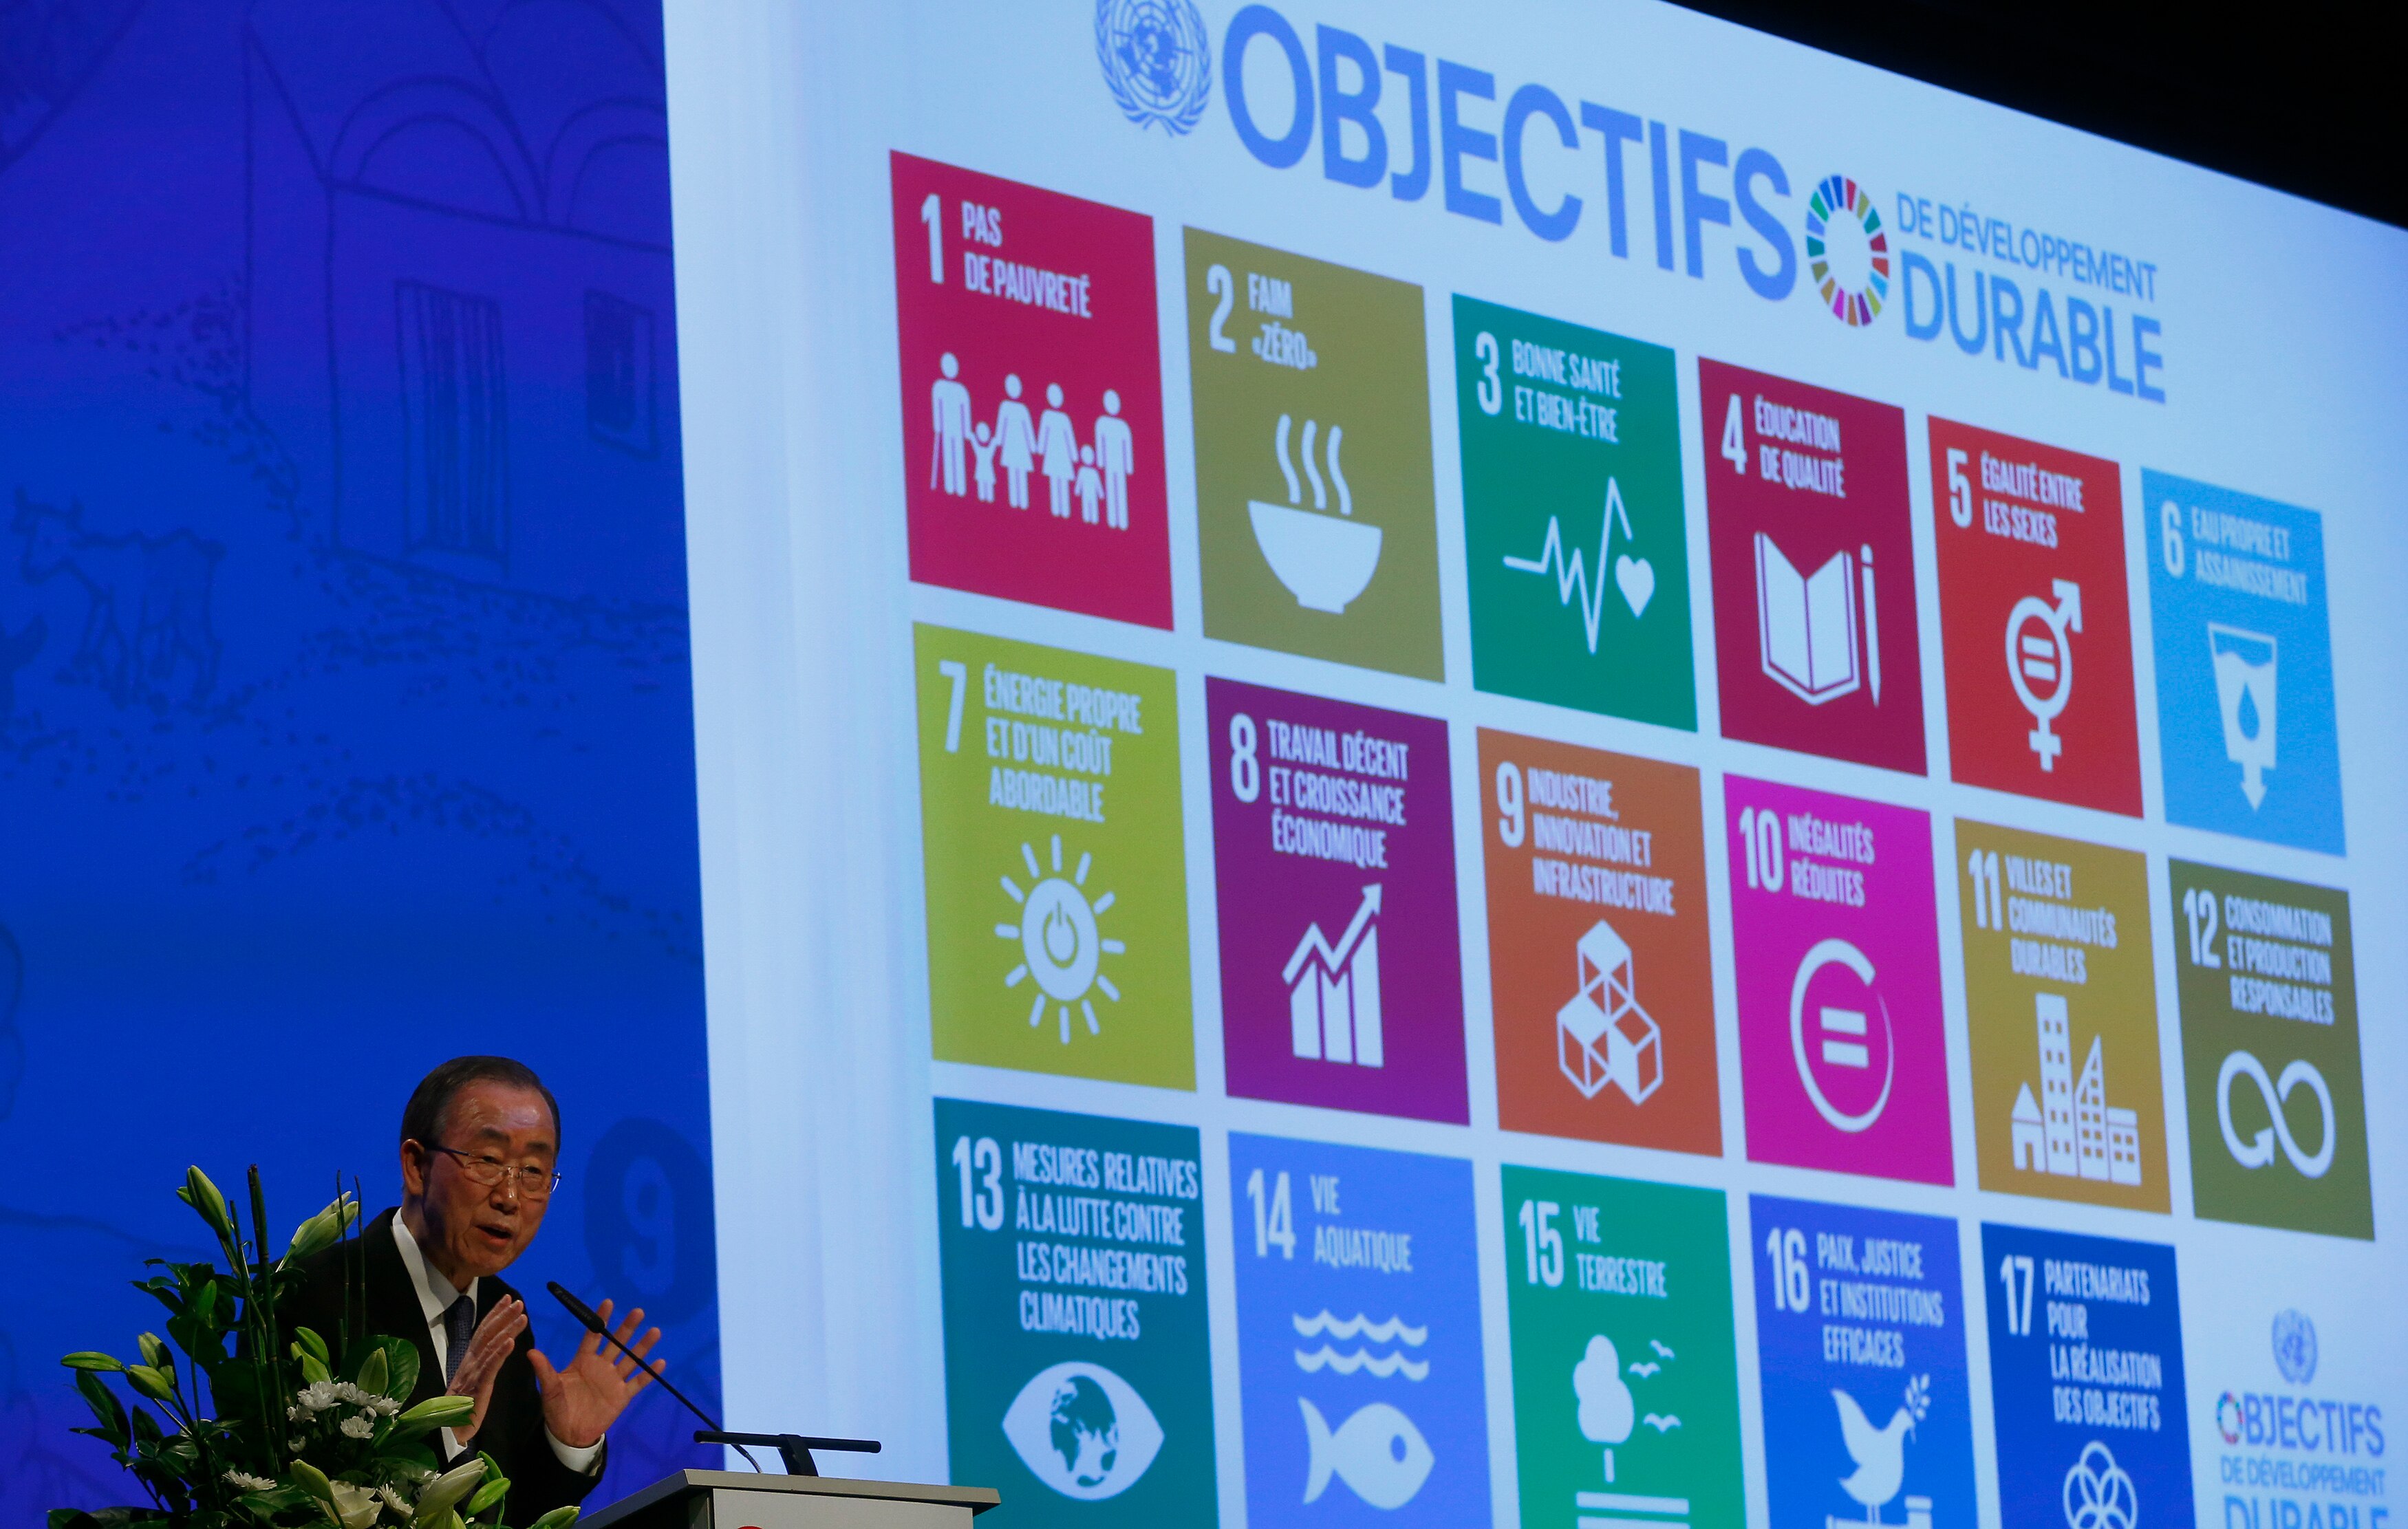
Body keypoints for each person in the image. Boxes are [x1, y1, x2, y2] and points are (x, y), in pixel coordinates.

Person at [279, 1057, 659, 1521]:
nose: (510, 1195)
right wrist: (444, 1435)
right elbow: (286, 1492)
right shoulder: (313, 1294)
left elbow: (512, 1514)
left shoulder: (505, 1317)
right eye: (489, 1160)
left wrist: (569, 1442)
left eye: (534, 1170)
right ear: (416, 1165)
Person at [929, 354, 972, 495]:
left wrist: (966, 431)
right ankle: (950, 486)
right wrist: (937, 427)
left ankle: (960, 487)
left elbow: (965, 412)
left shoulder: (962, 390)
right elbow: (937, 408)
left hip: (958, 429)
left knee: (959, 455)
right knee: (948, 454)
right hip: (946, 428)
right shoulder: (939, 387)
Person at [1093, 389, 1135, 530]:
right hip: (1109, 465)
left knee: (1121, 489)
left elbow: (1127, 447)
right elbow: (1100, 443)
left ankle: (1122, 519)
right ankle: (1112, 519)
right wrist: (1100, 462)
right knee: (1111, 488)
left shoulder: (1123, 426)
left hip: (1120, 465)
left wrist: (1128, 467)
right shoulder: (1101, 423)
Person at [1035, 383, 1078, 519]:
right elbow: (1043, 434)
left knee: (1063, 481)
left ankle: (1064, 510)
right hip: (1052, 454)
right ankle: (1057, 511)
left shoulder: (1065, 418)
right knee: (1054, 481)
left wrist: (1074, 455)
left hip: (1063, 456)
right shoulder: (1046, 416)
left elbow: (1069, 437)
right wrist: (1040, 450)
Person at [994, 376, 1035, 510]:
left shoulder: (1023, 409)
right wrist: (999, 442)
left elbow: (1028, 428)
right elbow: (1001, 425)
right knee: (1012, 472)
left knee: (1022, 473)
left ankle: (1023, 501)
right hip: (1010, 445)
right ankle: (1015, 501)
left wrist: (1033, 447)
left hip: (1022, 446)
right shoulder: (1004, 406)